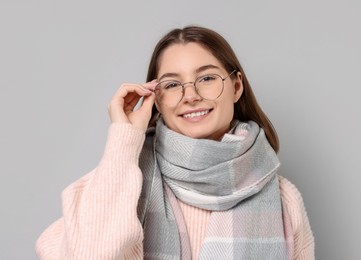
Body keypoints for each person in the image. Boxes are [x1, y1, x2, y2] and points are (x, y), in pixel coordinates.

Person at [36, 26, 314, 259]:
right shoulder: (120, 184)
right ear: (156, 99)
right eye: (171, 84)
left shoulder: (283, 201)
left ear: (236, 87)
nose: (190, 95)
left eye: (206, 78)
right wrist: (123, 139)